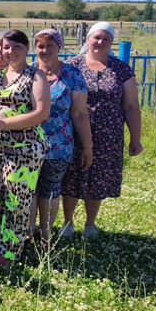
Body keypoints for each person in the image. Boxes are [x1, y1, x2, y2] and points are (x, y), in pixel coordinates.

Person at [60, 22, 144, 238]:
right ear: (87, 39)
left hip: (109, 135)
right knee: (72, 175)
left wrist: (136, 138)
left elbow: (131, 105)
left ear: (111, 43)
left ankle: (90, 224)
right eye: (96, 37)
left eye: (106, 39)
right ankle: (67, 223)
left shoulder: (121, 70)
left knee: (98, 178)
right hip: (75, 132)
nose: (100, 42)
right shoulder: (72, 65)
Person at [0, 29, 50, 266]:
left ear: (26, 48)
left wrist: (4, 123)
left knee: (17, 201)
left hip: (24, 149)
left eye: (16, 46)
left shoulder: (35, 76)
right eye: (5, 47)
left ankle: (10, 253)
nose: (10, 52)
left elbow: (40, 113)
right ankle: (7, 240)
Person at [29, 29, 92, 246]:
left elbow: (80, 112)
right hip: (27, 144)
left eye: (50, 45)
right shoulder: (27, 73)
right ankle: (28, 235)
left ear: (59, 47)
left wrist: (87, 146)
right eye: (40, 46)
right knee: (29, 189)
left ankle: (46, 235)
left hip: (59, 145)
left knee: (50, 189)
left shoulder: (72, 75)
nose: (44, 50)